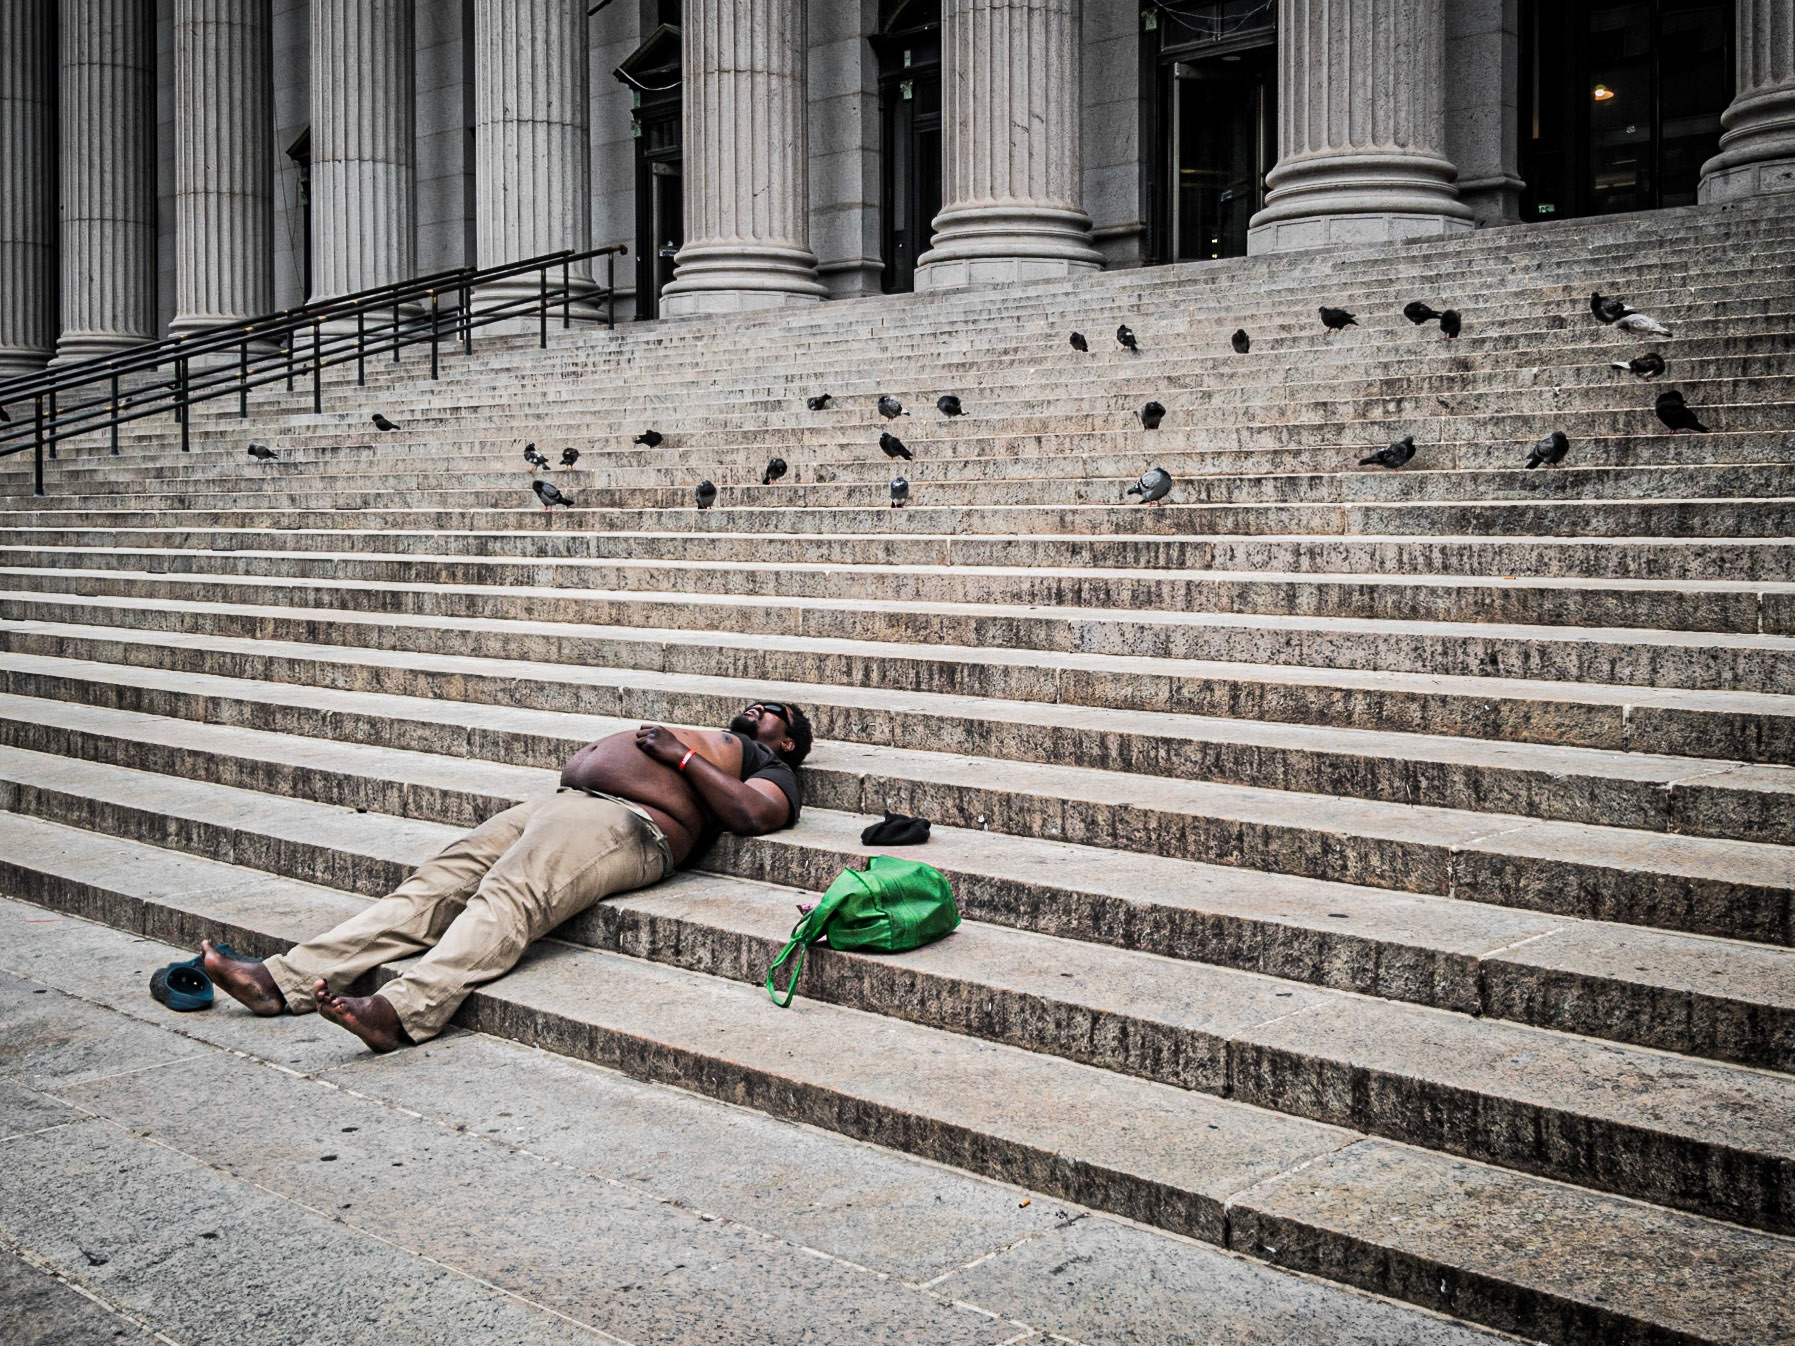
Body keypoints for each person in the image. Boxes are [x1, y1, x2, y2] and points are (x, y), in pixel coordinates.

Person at [201, 702, 810, 1051]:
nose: (758, 709)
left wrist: (680, 755)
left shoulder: (770, 768)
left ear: (787, 744)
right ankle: (282, 979)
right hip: (557, 805)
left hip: (626, 825)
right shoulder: (719, 741)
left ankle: (406, 1011)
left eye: (776, 715)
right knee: (432, 888)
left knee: (509, 896)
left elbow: (756, 813)